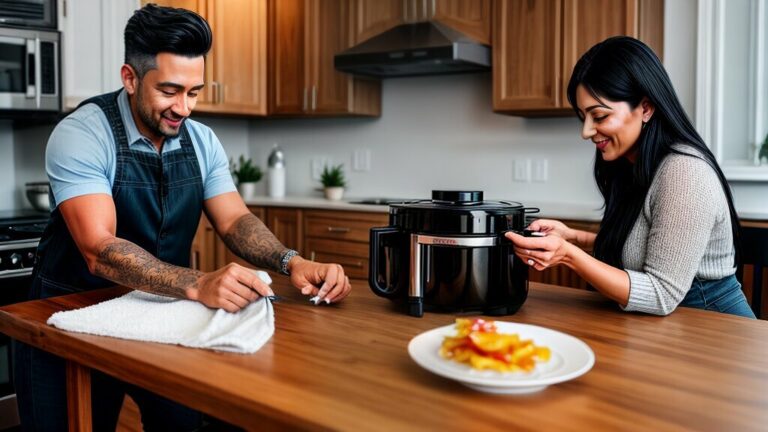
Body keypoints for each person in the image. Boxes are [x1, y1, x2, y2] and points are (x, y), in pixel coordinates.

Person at [13, 4, 352, 431]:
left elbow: (235, 221)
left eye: (194, 92)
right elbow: (99, 249)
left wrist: (292, 262)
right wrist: (197, 282)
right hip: (73, 312)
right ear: (130, 78)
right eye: (170, 91)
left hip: (161, 310)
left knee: (186, 423)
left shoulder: (202, 141)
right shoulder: (82, 133)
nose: (184, 107)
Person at [506, 36, 755, 319]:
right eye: (582, 117)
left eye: (598, 116)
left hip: (716, 329)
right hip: (669, 326)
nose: (586, 132)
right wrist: (572, 236)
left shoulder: (685, 172)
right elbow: (643, 245)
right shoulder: (632, 164)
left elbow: (661, 294)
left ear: (645, 108)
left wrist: (567, 254)